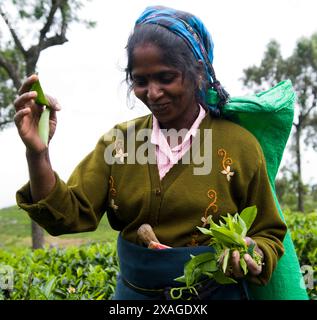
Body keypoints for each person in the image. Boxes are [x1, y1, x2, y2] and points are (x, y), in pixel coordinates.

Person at [14, 6, 287, 300]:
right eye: (140, 81)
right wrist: (37, 154)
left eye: (166, 78)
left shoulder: (240, 146)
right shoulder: (119, 143)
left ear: (196, 71)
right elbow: (66, 216)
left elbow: (268, 232)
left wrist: (252, 254)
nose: (153, 93)